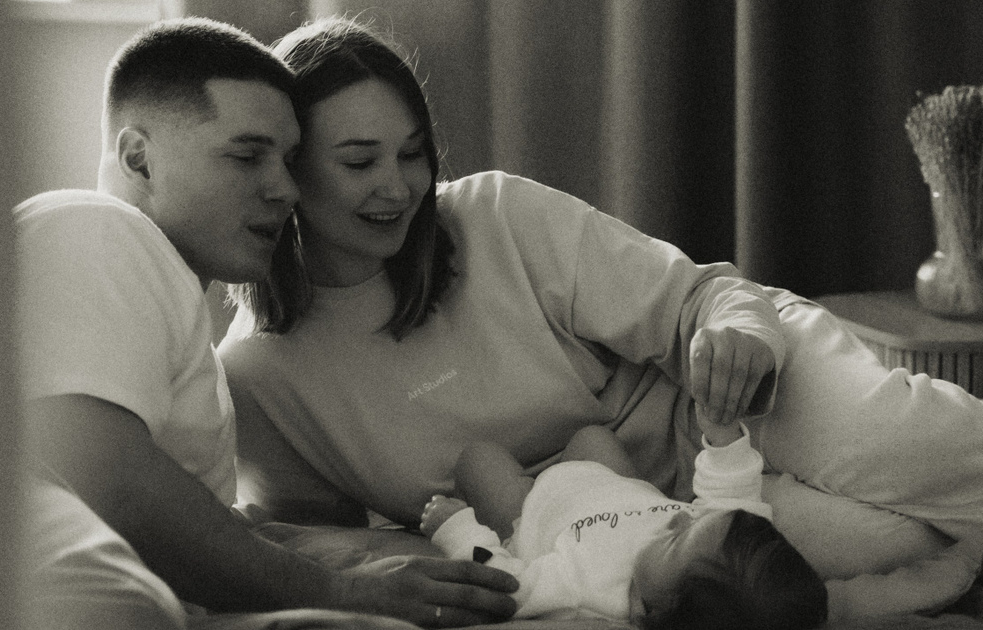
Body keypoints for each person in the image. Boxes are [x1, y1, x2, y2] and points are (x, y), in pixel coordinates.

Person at [217, 16, 983, 622]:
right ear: (290, 167)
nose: (399, 187)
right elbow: (318, 542)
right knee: (896, 544)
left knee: (926, 454)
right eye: (360, 162)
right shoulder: (258, 377)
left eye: (413, 153)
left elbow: (705, 294)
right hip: (667, 533)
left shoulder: (493, 215)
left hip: (722, 398)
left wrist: (738, 338)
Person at [14, 17, 517, 630]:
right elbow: (99, 467)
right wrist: (349, 593)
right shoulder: (95, 227)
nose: (285, 189)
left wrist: (356, 553)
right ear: (139, 159)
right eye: (248, 156)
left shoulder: (168, 311)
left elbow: (183, 531)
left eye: (289, 160)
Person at [419, 415, 826, 629]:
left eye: (676, 539)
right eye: (692, 521)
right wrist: (724, 437)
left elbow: (504, 586)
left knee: (478, 459)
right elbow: (734, 495)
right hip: (611, 481)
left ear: (654, 612)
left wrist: (457, 530)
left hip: (529, 510)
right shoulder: (713, 547)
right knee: (593, 435)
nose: (680, 517)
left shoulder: (584, 594)